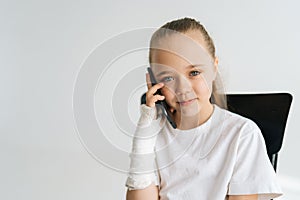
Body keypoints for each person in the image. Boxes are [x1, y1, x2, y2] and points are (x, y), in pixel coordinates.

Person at [125, 17, 282, 200]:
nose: (183, 89)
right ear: (153, 81)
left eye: (194, 73)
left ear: (214, 68)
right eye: (168, 78)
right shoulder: (154, 134)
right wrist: (144, 136)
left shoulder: (242, 134)